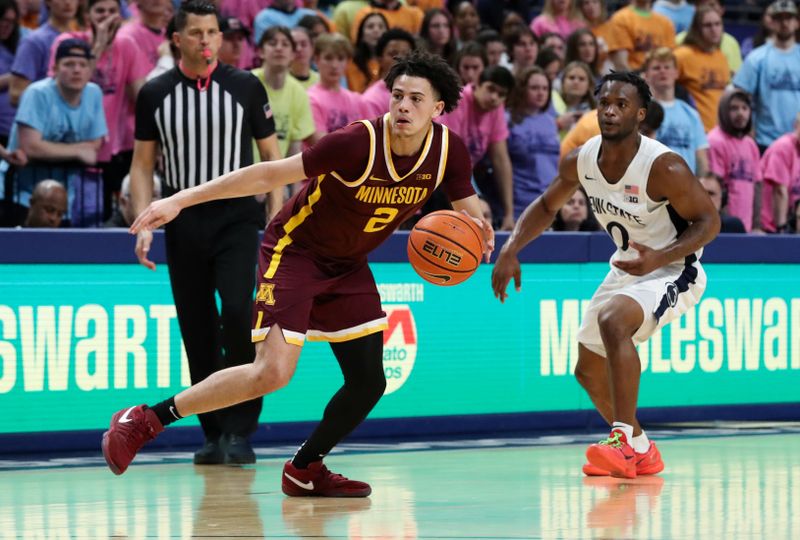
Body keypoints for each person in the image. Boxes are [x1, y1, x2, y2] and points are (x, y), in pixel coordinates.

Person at [102, 49, 494, 498]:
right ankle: (144, 420)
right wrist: (180, 199)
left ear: (438, 108)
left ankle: (305, 467)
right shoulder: (356, 142)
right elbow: (268, 174)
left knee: (369, 381)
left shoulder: (449, 152)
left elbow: (468, 216)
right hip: (296, 252)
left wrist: (484, 240)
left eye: (416, 99)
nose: (403, 106)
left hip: (347, 265)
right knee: (271, 373)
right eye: (397, 96)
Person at [492, 71, 720, 478]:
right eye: (604, 104)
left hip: (675, 266)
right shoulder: (581, 159)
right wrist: (511, 248)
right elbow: (547, 206)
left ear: (640, 115)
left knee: (614, 320)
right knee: (586, 368)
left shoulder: (663, 165)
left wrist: (659, 258)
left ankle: (620, 440)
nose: (610, 111)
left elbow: (709, 222)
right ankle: (640, 447)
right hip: (630, 263)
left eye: (622, 105)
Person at [128, 0, 282, 465]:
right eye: (196, 33)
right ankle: (213, 433)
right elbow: (142, 165)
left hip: (237, 217)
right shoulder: (154, 92)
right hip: (182, 220)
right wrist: (142, 222)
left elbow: (272, 158)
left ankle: (241, 429)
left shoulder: (246, 86)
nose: (206, 40)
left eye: (212, 32)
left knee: (238, 312)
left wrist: (276, 218)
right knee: (196, 327)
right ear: (177, 39)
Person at [3, 38, 106, 226]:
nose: (77, 70)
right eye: (69, 64)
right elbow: (31, 146)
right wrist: (77, 150)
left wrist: (49, 148)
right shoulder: (37, 93)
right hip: (19, 193)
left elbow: (94, 148)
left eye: (83, 65)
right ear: (55, 68)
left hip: (62, 200)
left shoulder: (94, 93)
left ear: (90, 70)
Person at [440, 65, 516, 230]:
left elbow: (501, 160)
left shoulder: (496, 109)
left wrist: (509, 213)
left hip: (464, 176)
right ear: (477, 84)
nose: (494, 97)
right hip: (438, 174)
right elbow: (449, 155)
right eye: (491, 89)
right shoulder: (457, 99)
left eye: (501, 94)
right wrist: (474, 198)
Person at [733, 0, 800, 153]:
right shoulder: (757, 57)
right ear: (772, 22)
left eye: (789, 18)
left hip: (798, 140)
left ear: (797, 22)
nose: (784, 23)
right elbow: (740, 96)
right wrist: (748, 128)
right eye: (779, 18)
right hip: (765, 140)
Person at [643, 47, 708, 175]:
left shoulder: (691, 113)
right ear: (646, 75)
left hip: (686, 187)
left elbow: (701, 157)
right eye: (656, 68)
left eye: (667, 67)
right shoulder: (641, 111)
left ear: (676, 73)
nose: (662, 71)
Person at [506, 66, 560, 218]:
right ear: (522, 89)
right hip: (519, 202)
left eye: (545, 88)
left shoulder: (550, 121)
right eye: (534, 88)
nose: (541, 92)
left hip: (551, 201)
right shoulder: (506, 119)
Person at [707, 89, 762, 231]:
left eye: (745, 108)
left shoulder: (750, 144)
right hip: (724, 225)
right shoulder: (715, 140)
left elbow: (757, 186)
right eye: (734, 108)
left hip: (747, 226)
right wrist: (727, 223)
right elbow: (716, 188)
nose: (740, 113)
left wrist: (756, 226)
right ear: (724, 110)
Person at [673, 6, 729, 132]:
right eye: (707, 25)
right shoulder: (682, 55)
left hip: (719, 133)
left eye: (717, 24)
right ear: (697, 29)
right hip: (693, 131)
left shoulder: (721, 56)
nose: (714, 29)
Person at [758, 112, 800, 233]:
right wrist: (782, 230)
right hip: (770, 227)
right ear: (796, 125)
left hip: (791, 224)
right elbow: (779, 191)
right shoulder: (783, 147)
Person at [361, 28, 416, 119]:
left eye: (406, 55)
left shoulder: (422, 92)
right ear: (380, 60)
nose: (401, 59)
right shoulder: (371, 99)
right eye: (393, 54)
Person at [607, 0, 676, 71]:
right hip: (633, 76)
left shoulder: (666, 22)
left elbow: (670, 60)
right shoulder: (620, 19)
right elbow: (621, 64)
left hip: (659, 75)